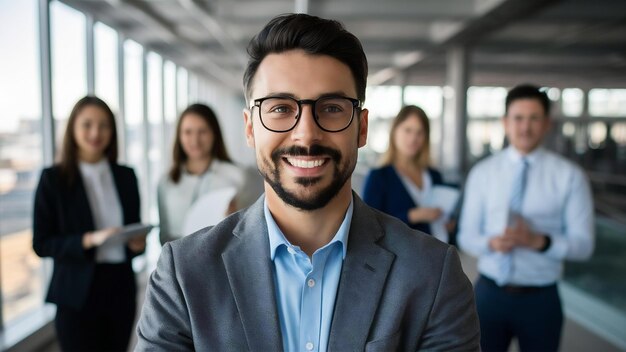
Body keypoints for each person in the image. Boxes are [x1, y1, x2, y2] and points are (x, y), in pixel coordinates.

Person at [136, 14, 479, 351]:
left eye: (331, 108)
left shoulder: (432, 273)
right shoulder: (183, 273)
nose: (306, 134)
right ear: (250, 128)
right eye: (280, 108)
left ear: (361, 128)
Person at [458, 84, 595, 352]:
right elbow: (466, 236)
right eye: (518, 118)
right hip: (488, 294)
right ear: (505, 123)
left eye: (534, 119)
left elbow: (584, 246)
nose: (525, 127)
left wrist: (538, 241)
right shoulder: (483, 173)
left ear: (547, 124)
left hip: (541, 299)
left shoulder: (570, 176)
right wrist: (492, 243)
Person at [33, 96, 147, 352]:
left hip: (120, 286)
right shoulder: (53, 179)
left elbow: (134, 234)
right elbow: (41, 243)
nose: (96, 132)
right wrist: (89, 240)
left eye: (104, 125)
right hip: (76, 291)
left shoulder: (126, 176)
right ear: (72, 129)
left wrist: (137, 245)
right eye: (87, 124)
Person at [157, 103, 246, 244]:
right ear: (179, 136)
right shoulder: (166, 181)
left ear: (214, 133)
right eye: (188, 132)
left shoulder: (236, 176)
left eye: (202, 131)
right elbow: (164, 235)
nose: (195, 140)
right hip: (178, 260)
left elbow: (247, 231)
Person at [362, 105, 446, 239]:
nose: (413, 138)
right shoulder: (379, 177)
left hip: (436, 254)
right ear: (394, 131)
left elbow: (444, 219)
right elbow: (368, 224)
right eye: (408, 130)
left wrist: (448, 224)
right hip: (399, 256)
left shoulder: (434, 176)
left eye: (420, 132)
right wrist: (412, 216)